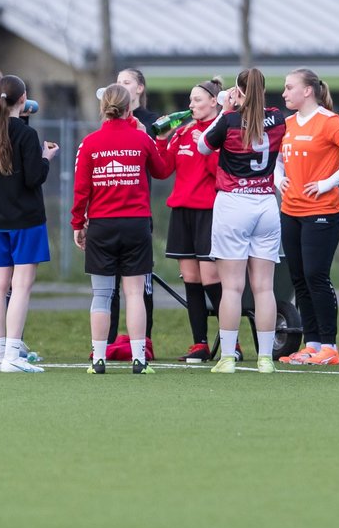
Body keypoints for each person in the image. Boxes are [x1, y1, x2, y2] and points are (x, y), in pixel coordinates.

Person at [73, 84, 173, 374]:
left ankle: (99, 359)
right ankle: (139, 358)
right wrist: (161, 140)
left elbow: (81, 190)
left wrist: (78, 223)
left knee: (102, 295)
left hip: (102, 225)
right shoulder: (141, 139)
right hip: (136, 224)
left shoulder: (90, 142)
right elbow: (163, 170)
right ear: (130, 109)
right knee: (134, 294)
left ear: (103, 108)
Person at [276, 68, 339, 365]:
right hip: (290, 211)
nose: (284, 93)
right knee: (300, 279)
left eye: (289, 87)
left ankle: (329, 346)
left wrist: (328, 182)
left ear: (307, 91)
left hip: (322, 212)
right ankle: (312, 343)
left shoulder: (329, 122)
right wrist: (278, 177)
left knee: (316, 276)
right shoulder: (287, 123)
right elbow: (276, 159)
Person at [195, 68, 287, 373]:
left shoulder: (230, 119)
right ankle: (265, 358)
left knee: (232, 287)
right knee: (264, 288)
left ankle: (228, 357)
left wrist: (226, 108)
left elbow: (204, 144)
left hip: (233, 204)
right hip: (265, 204)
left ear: (239, 90)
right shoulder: (278, 118)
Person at [0, 75, 59, 373]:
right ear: (23, 98)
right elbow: (33, 178)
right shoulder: (27, 135)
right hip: (26, 219)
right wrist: (46, 158)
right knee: (21, 286)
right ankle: (13, 355)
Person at [164, 78, 226, 363]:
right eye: (190, 100)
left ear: (214, 102)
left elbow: (221, 173)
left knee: (210, 277)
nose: (191, 105)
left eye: (197, 100)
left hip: (209, 210)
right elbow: (163, 169)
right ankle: (199, 343)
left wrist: (207, 145)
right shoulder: (183, 131)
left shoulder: (220, 132)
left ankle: (230, 341)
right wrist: (160, 140)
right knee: (190, 278)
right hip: (182, 211)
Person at [107, 66, 159, 359]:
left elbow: (161, 163)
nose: (122, 86)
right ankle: (109, 338)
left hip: (138, 211)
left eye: (127, 82)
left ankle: (143, 340)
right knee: (108, 284)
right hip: (109, 212)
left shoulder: (150, 123)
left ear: (139, 88)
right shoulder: (111, 122)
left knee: (141, 283)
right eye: (118, 83)